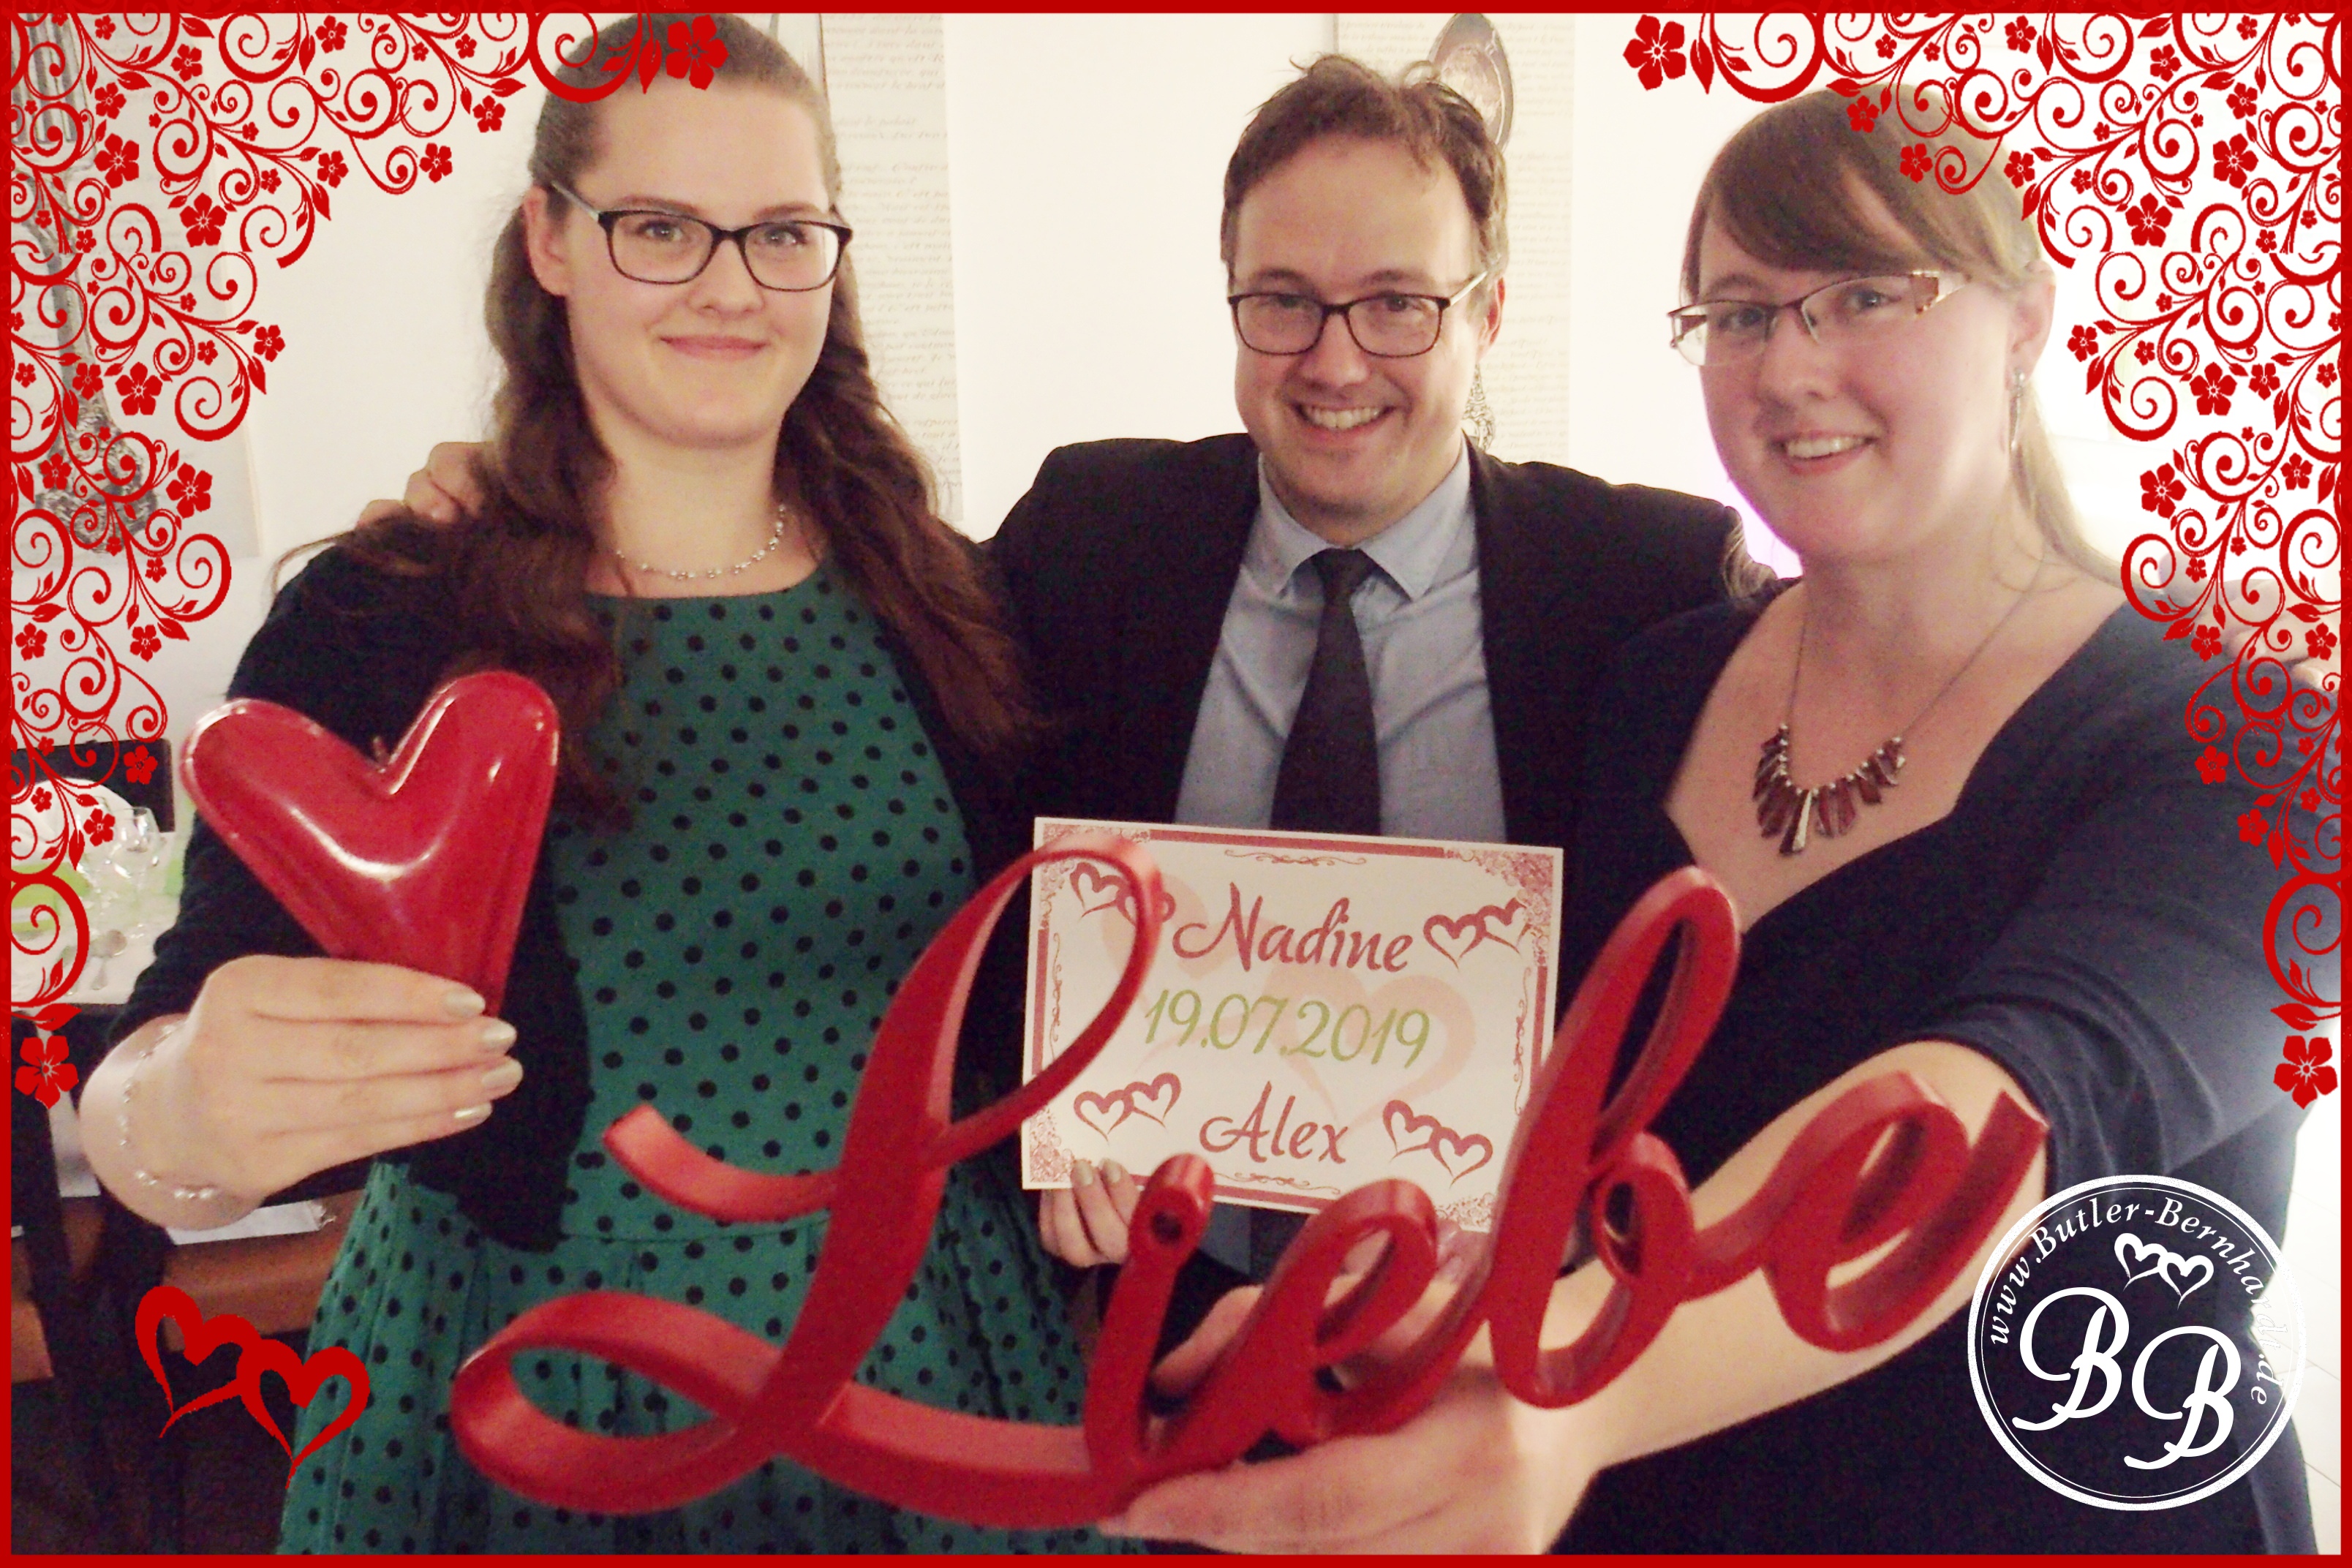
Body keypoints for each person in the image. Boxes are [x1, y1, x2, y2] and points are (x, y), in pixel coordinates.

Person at [1095, 88, 2313, 1553]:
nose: (1789, 367)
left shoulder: (2253, 740)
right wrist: (1435, 1300)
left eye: (1866, 293)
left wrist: (1576, 1376)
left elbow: (2024, 1103)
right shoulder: (1660, 681)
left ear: (2024, 323)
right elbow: (1586, 1130)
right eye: (1739, 315)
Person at [391, 56, 1755, 1310]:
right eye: (1283, 301)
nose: (1336, 359)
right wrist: (528, 493)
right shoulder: (1093, 537)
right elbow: (923, 768)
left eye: (1400, 304)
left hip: (1502, 1336)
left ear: (1488, 312)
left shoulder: (1645, 581)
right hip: (1143, 1319)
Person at [85, 16, 1120, 1553]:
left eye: (782, 233)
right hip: (532, 1378)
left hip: (937, 1362)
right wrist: (176, 1118)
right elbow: (158, 1061)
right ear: (551, 240)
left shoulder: (953, 604)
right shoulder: (385, 613)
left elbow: (1053, 975)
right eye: (660, 227)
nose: (730, 286)